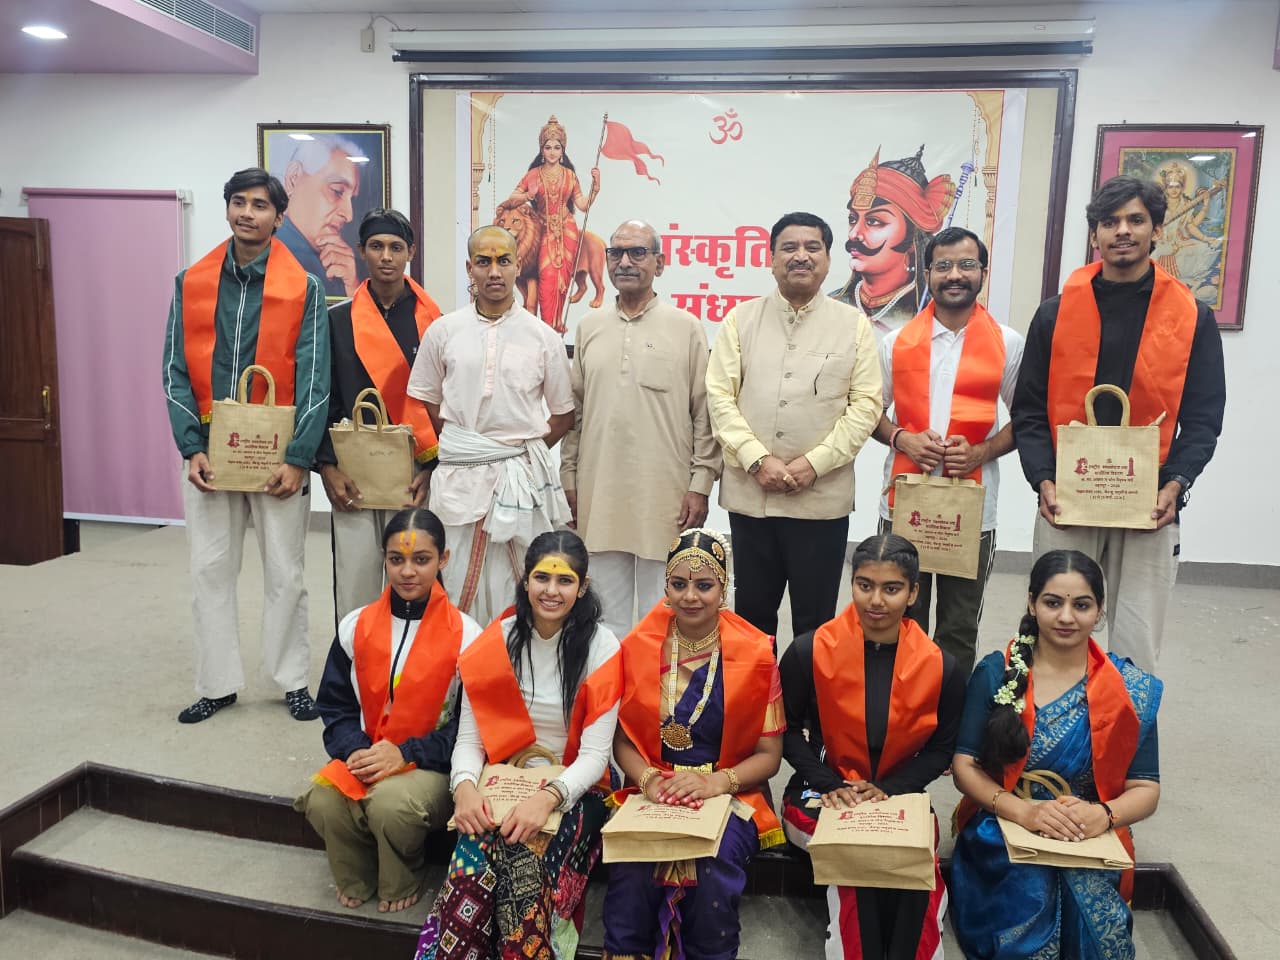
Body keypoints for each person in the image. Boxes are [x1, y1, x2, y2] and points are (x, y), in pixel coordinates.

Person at [1011, 175, 1226, 670]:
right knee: (1055, 627)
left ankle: (1127, 720)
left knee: (1136, 636)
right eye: (1110, 222)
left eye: (1135, 220)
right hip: (1068, 496)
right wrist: (1043, 478)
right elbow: (1029, 409)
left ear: (1157, 230)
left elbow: (1203, 416)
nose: (1122, 231)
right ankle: (1051, 718)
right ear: (1095, 235)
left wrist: (1176, 483)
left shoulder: (1192, 317)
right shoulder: (1055, 314)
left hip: (1148, 500)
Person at [161, 166, 330, 724]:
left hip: (277, 454)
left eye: (260, 205)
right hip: (212, 452)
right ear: (228, 208)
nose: (247, 213)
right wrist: (191, 446)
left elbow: (314, 378)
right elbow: (174, 370)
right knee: (210, 569)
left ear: (279, 217)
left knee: (285, 572)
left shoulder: (304, 287)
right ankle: (217, 683)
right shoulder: (191, 282)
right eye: (239, 202)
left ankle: (290, 680)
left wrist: (299, 458)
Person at [413, 531, 621, 960]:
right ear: (525, 581)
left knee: (524, 864)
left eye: (565, 581)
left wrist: (545, 800)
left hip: (575, 788)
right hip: (502, 779)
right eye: (541, 577)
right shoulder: (495, 642)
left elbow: (595, 756)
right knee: (470, 867)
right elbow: (469, 740)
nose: (551, 591)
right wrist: (464, 789)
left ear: (582, 587)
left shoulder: (602, 647)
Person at [950, 549, 1163, 960]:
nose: (1066, 617)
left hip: (1088, 830)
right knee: (1028, 903)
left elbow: (1146, 788)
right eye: (1053, 602)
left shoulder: (1129, 689)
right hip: (1005, 823)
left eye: (1081, 605)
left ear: (1099, 611)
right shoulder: (997, 672)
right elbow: (965, 766)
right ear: (1032, 603)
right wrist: (1024, 813)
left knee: (1098, 935)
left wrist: (1103, 815)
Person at [779, 534, 965, 960]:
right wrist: (829, 783)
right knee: (860, 859)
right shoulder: (809, 650)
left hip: (899, 794)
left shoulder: (941, 666)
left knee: (915, 868)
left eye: (891, 588)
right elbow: (783, 731)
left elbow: (942, 749)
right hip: (820, 792)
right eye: (865, 585)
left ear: (913, 593)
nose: (876, 600)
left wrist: (888, 789)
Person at [604, 527, 785, 960]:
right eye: (678, 584)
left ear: (724, 589)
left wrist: (716, 783)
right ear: (665, 586)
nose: (690, 596)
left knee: (710, 870)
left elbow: (770, 755)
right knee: (631, 870)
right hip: (653, 788)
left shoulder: (755, 655)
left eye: (704, 585)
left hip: (728, 790)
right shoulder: (639, 647)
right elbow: (623, 740)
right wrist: (648, 779)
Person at [706, 211, 882, 639]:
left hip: (821, 500)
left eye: (812, 247)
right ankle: (756, 687)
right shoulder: (740, 320)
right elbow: (719, 398)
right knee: (752, 620)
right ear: (771, 259)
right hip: (752, 497)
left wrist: (814, 464)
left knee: (814, 623)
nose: (800, 256)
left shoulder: (854, 326)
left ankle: (805, 690)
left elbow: (865, 406)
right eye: (789, 247)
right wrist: (756, 459)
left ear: (828, 260)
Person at [296, 508, 481, 914]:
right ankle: (356, 874)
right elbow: (335, 704)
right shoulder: (356, 625)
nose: (407, 572)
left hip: (431, 765)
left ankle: (403, 875)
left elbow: (471, 728)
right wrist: (356, 749)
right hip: (367, 752)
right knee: (323, 799)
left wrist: (406, 753)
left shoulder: (468, 635)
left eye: (422, 559)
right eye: (397, 559)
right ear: (384, 558)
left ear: (443, 559)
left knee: (390, 804)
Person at [871, 227, 1024, 676]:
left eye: (966, 265)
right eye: (943, 266)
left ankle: (950, 715)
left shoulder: (1008, 343)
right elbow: (868, 413)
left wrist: (981, 451)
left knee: (958, 627)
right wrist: (903, 438)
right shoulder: (896, 342)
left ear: (983, 273)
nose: (955, 275)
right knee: (900, 619)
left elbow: (1027, 419)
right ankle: (898, 709)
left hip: (971, 510)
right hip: (903, 502)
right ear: (927, 274)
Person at [405, 225, 574, 626]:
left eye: (503, 261)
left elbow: (563, 414)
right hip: (459, 477)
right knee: (454, 574)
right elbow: (426, 398)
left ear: (518, 265)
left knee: (520, 580)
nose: (494, 271)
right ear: (470, 268)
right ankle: (459, 660)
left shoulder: (543, 337)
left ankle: (513, 660)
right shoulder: (444, 331)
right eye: (484, 261)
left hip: (521, 479)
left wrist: (514, 453)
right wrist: (467, 448)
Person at [561, 219, 720, 638]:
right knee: (602, 621)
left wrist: (700, 484)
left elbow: (704, 414)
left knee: (662, 617)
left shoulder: (685, 327)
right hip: (599, 492)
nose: (625, 262)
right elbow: (576, 412)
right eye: (616, 253)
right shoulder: (589, 327)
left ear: (659, 263)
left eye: (637, 253)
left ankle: (656, 685)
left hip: (666, 496)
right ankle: (607, 684)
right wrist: (569, 477)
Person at [317, 208, 443, 625]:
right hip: (351, 469)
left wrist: (433, 470)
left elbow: (445, 403)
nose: (386, 256)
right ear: (361, 251)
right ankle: (353, 661)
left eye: (395, 247)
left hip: (413, 468)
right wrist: (327, 466)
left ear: (410, 253)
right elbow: (322, 397)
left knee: (412, 575)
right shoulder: (336, 321)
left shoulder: (435, 324)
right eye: (376, 246)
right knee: (354, 578)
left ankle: (411, 660)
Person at [830, 146, 956, 337]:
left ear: (912, 238)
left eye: (874, 221)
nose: (855, 234)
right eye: (853, 219)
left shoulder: (935, 316)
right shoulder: (831, 306)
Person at [496, 115, 601, 331]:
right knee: (547, 276)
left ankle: (557, 323)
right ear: (542, 150)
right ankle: (546, 327)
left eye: (556, 147)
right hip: (542, 228)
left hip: (566, 229)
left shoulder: (570, 175)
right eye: (548, 147)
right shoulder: (533, 175)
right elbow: (512, 198)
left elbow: (582, 205)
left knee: (563, 279)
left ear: (562, 151)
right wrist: (528, 195)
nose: (552, 152)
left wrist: (595, 188)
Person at [276, 134, 364, 299]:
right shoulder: (273, 254)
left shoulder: (334, 263)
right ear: (294, 179)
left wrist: (352, 286)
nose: (348, 215)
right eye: (337, 191)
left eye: (352, 199)